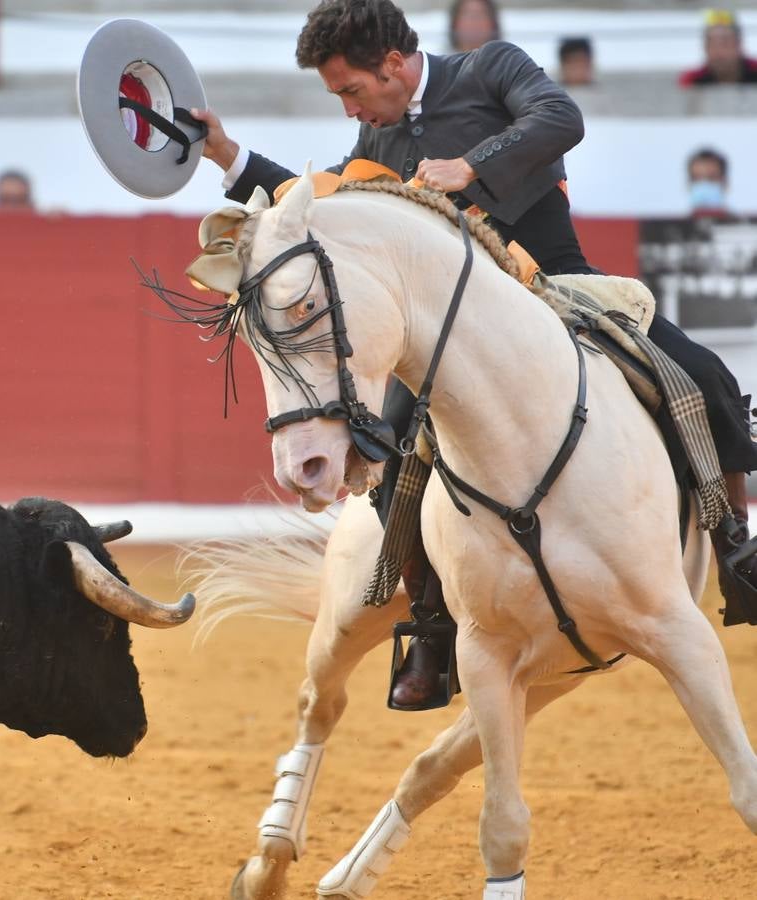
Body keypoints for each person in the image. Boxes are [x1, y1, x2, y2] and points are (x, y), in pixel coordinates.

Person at [193, 0, 757, 709]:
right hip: (455, 339)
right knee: (394, 454)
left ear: (393, 65)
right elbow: (313, 200)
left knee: (705, 373)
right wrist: (223, 152)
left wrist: (471, 166)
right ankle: (431, 630)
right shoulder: (380, 139)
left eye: (351, 89)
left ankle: (735, 541)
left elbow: (561, 118)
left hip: (559, 283)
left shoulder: (489, 68)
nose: (348, 109)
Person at [680, 8, 757, 86]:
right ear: (705, 48)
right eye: (712, 44)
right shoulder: (693, 80)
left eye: (725, 43)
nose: (718, 52)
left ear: (739, 45)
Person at [687, 147, 732, 218]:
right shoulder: (673, 227)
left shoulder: (744, 227)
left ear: (725, 183)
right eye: (697, 179)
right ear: (688, 184)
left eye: (711, 178)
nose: (703, 185)